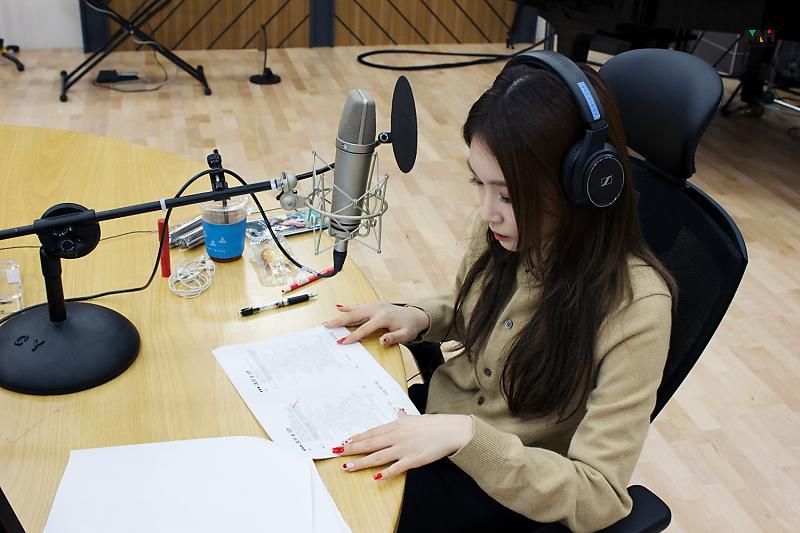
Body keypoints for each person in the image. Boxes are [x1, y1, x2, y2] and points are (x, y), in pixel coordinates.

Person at [323, 52, 677, 533]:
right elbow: (482, 311)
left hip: (502, 490)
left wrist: (468, 438)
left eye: (508, 195)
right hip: (434, 426)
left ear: (584, 186)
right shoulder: (505, 232)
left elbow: (599, 496)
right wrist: (420, 316)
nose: (488, 210)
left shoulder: (636, 308)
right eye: (479, 183)